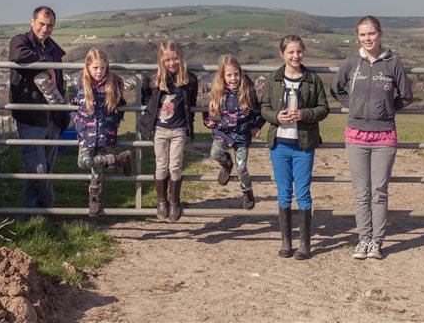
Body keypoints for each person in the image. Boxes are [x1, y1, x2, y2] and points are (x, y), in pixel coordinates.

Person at [331, 16, 413, 260]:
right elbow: (336, 89)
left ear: (380, 34)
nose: (367, 39)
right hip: (355, 134)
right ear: (358, 36)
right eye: (363, 35)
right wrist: (354, 105)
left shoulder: (392, 63)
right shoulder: (352, 62)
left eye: (371, 34)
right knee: (361, 191)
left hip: (384, 136)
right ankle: (363, 239)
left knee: (379, 191)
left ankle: (377, 241)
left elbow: (406, 96)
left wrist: (387, 108)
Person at [261, 35, 329, 260]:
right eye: (290, 52)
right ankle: (285, 242)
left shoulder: (312, 80)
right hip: (279, 144)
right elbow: (264, 107)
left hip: (304, 144)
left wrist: (304, 114)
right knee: (283, 192)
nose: (295, 55)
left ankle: (305, 243)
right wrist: (275, 117)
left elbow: (323, 108)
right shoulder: (273, 79)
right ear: (282, 54)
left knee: (303, 192)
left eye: (298, 51)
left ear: (303, 52)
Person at [9, 6, 70, 209]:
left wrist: (63, 114)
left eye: (50, 25)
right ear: (32, 22)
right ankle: (47, 210)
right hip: (31, 118)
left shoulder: (54, 49)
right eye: (41, 24)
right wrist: (46, 65)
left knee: (46, 170)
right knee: (37, 170)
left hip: (52, 117)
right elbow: (18, 55)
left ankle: (35, 216)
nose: (45, 29)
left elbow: (60, 83)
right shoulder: (21, 41)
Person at [137, 41, 198, 222]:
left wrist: (190, 123)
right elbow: (147, 97)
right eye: (168, 60)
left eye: (175, 58)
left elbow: (191, 102)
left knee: (176, 166)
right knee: (161, 165)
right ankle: (161, 201)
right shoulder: (154, 80)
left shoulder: (189, 79)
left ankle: (175, 201)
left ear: (181, 58)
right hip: (160, 130)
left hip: (179, 129)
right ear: (161, 61)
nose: (172, 63)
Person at [71, 48, 132, 217]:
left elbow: (121, 106)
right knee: (84, 162)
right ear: (88, 67)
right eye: (95, 68)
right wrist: (78, 122)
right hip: (86, 133)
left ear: (107, 67)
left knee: (97, 170)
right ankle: (118, 159)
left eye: (103, 68)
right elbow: (73, 105)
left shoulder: (114, 83)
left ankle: (94, 199)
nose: (99, 71)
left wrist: (113, 123)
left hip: (105, 131)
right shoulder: (80, 83)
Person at [203, 56, 265, 210]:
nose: (233, 78)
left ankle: (247, 192)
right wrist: (209, 121)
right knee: (216, 153)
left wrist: (256, 125)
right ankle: (226, 165)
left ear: (241, 73)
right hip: (223, 133)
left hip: (242, 135)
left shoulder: (247, 89)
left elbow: (258, 110)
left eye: (236, 74)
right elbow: (210, 111)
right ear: (222, 76)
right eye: (229, 75)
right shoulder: (218, 91)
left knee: (242, 167)